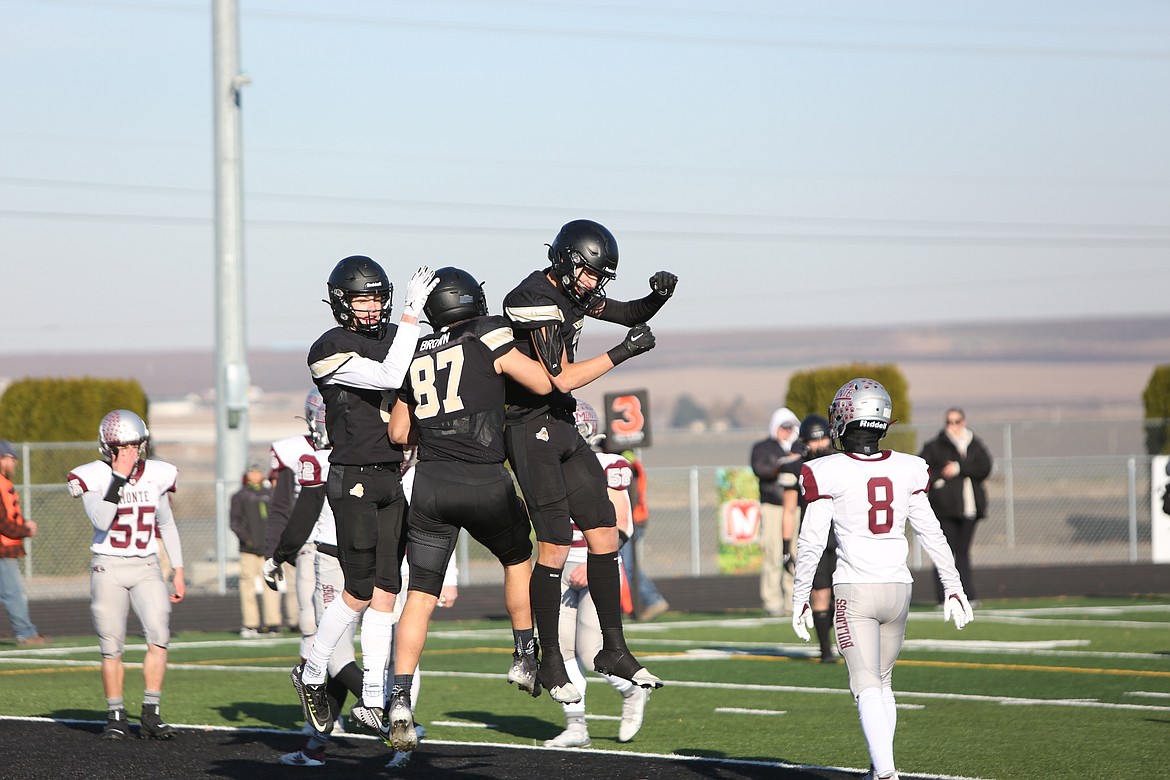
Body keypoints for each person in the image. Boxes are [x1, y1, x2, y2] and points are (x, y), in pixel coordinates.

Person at [502, 218, 675, 699]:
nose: (593, 285)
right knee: (555, 543)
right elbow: (561, 378)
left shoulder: (575, 289)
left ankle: (613, 648)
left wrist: (657, 299)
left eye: (600, 277)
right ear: (564, 261)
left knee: (602, 529)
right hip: (525, 424)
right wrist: (623, 354)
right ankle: (550, 661)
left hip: (559, 422)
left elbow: (626, 311)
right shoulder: (532, 297)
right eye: (588, 274)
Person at [384, 266, 554, 752]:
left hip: (432, 486)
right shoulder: (486, 331)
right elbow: (541, 383)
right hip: (484, 478)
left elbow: (398, 434)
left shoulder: (414, 350)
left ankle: (399, 698)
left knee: (420, 594)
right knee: (519, 559)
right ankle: (524, 653)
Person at [791, 379, 974, 780]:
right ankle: (880, 769)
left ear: (843, 417)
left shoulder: (826, 470)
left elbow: (811, 541)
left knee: (865, 684)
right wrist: (954, 586)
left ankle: (887, 773)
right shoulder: (909, 467)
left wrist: (800, 594)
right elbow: (932, 533)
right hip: (898, 589)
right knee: (884, 682)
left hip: (855, 590)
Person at [291, 257, 439, 736]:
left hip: (389, 475)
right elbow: (391, 375)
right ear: (341, 302)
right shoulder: (328, 348)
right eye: (362, 298)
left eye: (378, 297)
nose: (372, 307)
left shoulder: (393, 332)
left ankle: (373, 698)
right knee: (357, 591)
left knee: (387, 590)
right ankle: (311, 671)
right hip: (351, 476)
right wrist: (414, 317)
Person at [66, 410, 186, 740]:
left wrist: (178, 568)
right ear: (108, 447)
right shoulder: (92, 475)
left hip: (147, 565)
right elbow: (101, 520)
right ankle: (116, 714)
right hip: (108, 566)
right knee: (111, 645)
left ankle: (151, 711)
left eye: (136, 445)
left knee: (159, 635)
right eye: (124, 446)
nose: (131, 452)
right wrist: (118, 478)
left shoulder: (157, 474)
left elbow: (166, 524)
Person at [543, 401, 651, 749]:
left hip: (595, 565)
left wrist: (593, 564)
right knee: (561, 651)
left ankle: (632, 689)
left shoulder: (608, 464)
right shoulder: (549, 465)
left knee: (592, 653)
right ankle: (577, 726)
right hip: (558, 564)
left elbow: (622, 526)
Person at [267, 389, 329, 661]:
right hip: (309, 543)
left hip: (348, 541)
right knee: (310, 623)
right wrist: (274, 552)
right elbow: (280, 506)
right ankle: (313, 696)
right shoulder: (291, 451)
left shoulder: (357, 446)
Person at [918, 408, 993, 605]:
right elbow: (923, 470)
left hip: (969, 509)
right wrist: (940, 478)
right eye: (949, 421)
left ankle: (967, 594)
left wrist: (959, 468)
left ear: (963, 421)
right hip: (945, 508)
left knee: (963, 553)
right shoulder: (936, 445)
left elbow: (984, 467)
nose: (953, 425)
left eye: (957, 421)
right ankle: (945, 596)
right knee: (944, 553)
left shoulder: (974, 444)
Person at [789, 414, 837, 662]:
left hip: (841, 534)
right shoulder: (798, 468)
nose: (820, 444)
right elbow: (789, 508)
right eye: (814, 439)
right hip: (814, 537)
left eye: (823, 438)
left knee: (843, 594)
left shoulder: (841, 464)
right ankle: (825, 650)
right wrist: (787, 545)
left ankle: (836, 637)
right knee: (820, 592)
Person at [750, 407, 802, 616]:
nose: (788, 431)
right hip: (773, 506)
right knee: (772, 553)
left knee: (796, 554)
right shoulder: (763, 448)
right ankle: (772, 601)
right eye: (784, 426)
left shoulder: (799, 447)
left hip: (795, 507)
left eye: (791, 427)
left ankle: (793, 601)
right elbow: (760, 469)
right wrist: (781, 464)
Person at [0, 440, 48, 647]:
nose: (15, 464)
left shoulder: (4, 482)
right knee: (14, 593)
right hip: (3, 549)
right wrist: (24, 530)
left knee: (12, 592)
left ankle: (25, 632)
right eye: (12, 459)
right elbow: (2, 522)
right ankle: (26, 634)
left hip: (6, 548)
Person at [230, 463, 280, 637]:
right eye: (251, 471)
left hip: (268, 549)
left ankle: (273, 623)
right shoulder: (240, 496)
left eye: (258, 471)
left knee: (271, 585)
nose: (254, 474)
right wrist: (248, 541)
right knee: (247, 586)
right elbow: (235, 522)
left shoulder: (270, 494)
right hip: (249, 550)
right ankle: (250, 624)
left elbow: (277, 519)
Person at [620, 450, 669, 621]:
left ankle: (652, 599)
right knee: (625, 563)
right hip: (632, 518)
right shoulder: (631, 463)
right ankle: (633, 604)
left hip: (632, 519)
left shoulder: (628, 465)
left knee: (627, 564)